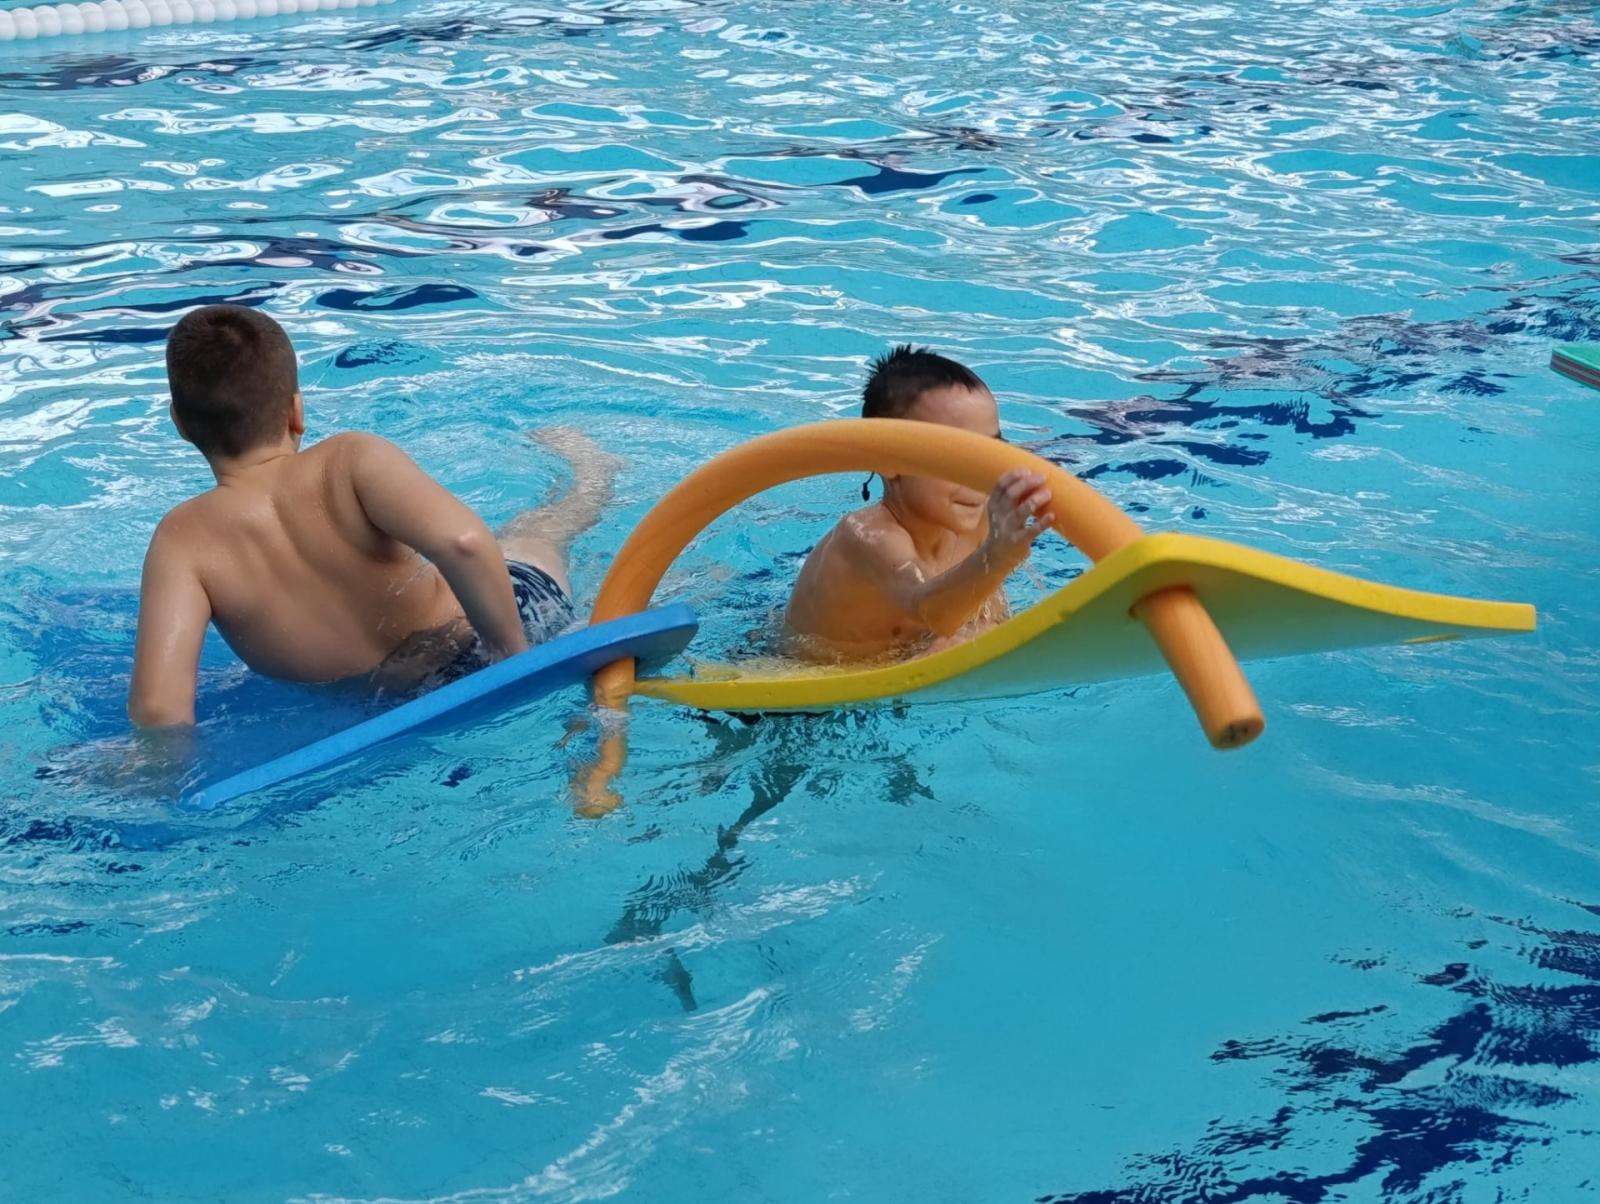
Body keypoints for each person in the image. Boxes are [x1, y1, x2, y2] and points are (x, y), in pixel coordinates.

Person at [127, 303, 615, 728]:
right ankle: (592, 473)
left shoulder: (182, 540)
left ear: (180, 424)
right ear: (296, 411)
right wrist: (510, 657)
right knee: (535, 535)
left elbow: (159, 709)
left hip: (387, 703)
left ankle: (592, 472)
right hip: (488, 641)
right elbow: (465, 544)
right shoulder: (347, 460)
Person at [784, 345, 1054, 659]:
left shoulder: (979, 519)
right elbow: (928, 610)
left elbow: (987, 617)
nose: (976, 473)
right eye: (955, 452)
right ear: (888, 460)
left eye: (990, 449)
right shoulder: (868, 537)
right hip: (810, 681)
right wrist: (997, 558)